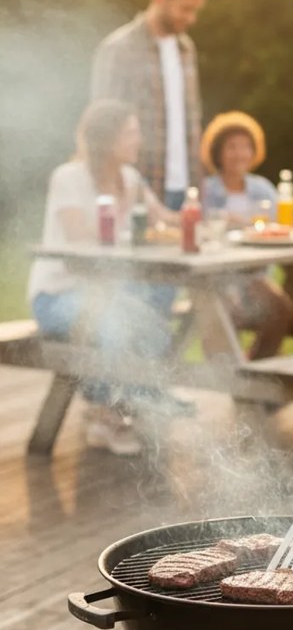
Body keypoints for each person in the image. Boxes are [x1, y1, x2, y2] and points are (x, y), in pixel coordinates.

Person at [28, 100, 195, 456]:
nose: (138, 141)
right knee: (114, 319)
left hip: (110, 293)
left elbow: (162, 218)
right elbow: (79, 236)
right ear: (107, 139)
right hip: (59, 294)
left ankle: (144, 395)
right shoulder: (69, 177)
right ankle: (107, 414)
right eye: (130, 134)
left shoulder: (130, 178)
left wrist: (201, 221)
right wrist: (121, 207)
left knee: (152, 311)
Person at [91, 0, 211, 210]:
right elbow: (102, 127)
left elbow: (192, 121)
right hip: (138, 188)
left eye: (195, 11)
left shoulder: (185, 49)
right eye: (185, 9)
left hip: (184, 188)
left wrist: (198, 185)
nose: (191, 19)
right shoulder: (119, 49)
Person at [200, 111, 293, 359]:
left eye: (245, 147)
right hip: (217, 273)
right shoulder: (206, 189)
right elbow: (199, 228)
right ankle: (234, 379)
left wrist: (242, 224)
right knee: (222, 312)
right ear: (218, 152)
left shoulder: (262, 188)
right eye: (232, 147)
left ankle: (258, 373)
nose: (239, 153)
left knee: (280, 306)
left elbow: (281, 226)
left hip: (254, 273)